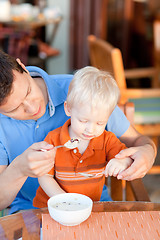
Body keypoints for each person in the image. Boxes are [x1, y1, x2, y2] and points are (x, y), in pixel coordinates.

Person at [0, 50, 156, 214]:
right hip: (31, 211)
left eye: (28, 91)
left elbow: (138, 141)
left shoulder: (84, 91)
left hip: (96, 207)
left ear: (22, 66)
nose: (32, 108)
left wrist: (147, 151)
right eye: (15, 109)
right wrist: (18, 169)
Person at [33, 67, 133, 208]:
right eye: (83, 121)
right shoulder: (54, 140)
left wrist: (122, 163)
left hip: (89, 207)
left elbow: (128, 158)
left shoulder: (107, 140)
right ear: (68, 109)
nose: (90, 129)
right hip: (52, 207)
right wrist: (64, 200)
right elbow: (44, 176)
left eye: (100, 123)